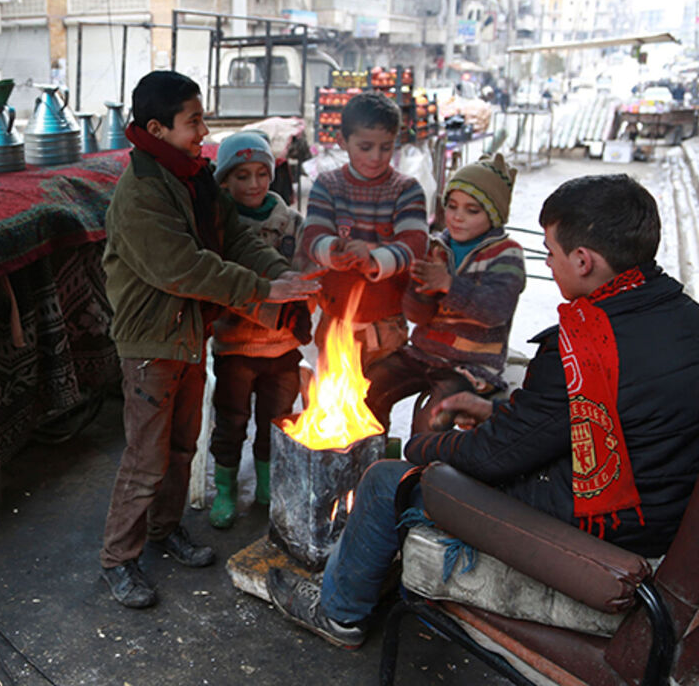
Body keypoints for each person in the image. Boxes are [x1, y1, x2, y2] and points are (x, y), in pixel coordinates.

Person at [265, 174, 699, 650]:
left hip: (601, 534)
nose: (548, 264)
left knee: (388, 480)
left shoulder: (584, 345)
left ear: (583, 260)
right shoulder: (683, 316)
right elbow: (584, 416)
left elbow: (495, 458)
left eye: (551, 252)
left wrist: (423, 446)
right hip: (657, 517)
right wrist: (495, 412)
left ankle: (338, 613)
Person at [99, 71, 320, 609]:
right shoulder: (142, 191)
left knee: (181, 446)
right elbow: (185, 268)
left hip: (187, 335)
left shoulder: (193, 177)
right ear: (157, 129)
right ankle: (117, 559)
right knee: (146, 458)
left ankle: (163, 529)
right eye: (193, 121)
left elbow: (237, 238)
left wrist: (282, 278)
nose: (203, 131)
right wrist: (264, 290)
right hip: (152, 344)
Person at [364, 153, 526, 433]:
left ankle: (422, 462)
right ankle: (371, 453)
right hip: (423, 353)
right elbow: (416, 316)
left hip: (472, 365)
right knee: (366, 388)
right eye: (452, 206)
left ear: (494, 214)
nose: (458, 217)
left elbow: (496, 311)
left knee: (432, 421)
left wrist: (449, 285)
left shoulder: (506, 254)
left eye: (472, 210)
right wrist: (423, 293)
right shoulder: (435, 247)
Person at [206, 130, 312, 530]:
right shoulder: (219, 228)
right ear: (224, 182)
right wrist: (270, 307)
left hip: (282, 350)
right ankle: (226, 491)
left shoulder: (292, 224)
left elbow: (303, 280)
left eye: (262, 174)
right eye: (241, 175)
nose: (254, 184)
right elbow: (220, 286)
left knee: (278, 421)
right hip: (234, 348)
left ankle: (268, 487)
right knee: (231, 422)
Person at [302, 91, 429, 368]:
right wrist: (332, 250)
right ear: (342, 141)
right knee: (333, 393)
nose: (375, 157)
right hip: (335, 320)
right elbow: (312, 237)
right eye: (365, 147)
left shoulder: (406, 190)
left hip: (385, 325)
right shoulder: (327, 185)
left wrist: (372, 259)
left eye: (386, 147)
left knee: (379, 394)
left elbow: (415, 244)